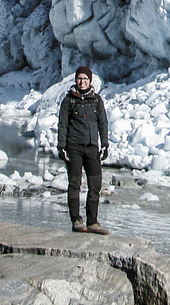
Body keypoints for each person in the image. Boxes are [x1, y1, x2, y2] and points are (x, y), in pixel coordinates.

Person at [57, 65, 109, 234]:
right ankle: (76, 220)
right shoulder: (69, 101)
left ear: (90, 81)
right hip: (73, 147)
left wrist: (105, 143)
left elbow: (103, 123)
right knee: (75, 183)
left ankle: (92, 222)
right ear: (76, 81)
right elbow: (63, 124)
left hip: (92, 147)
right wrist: (61, 146)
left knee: (95, 184)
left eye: (85, 79)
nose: (82, 81)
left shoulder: (96, 100)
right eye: (79, 78)